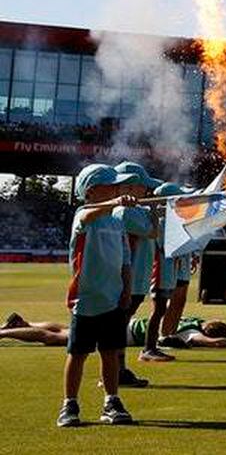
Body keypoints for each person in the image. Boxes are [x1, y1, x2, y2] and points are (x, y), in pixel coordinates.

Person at [58, 164, 136, 428]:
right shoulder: (83, 215)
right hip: (86, 299)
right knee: (78, 353)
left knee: (110, 353)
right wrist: (115, 201)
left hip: (113, 299)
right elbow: (87, 217)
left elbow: (125, 260)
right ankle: (69, 403)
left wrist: (126, 290)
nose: (118, 189)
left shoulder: (117, 221)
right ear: (91, 191)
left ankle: (111, 400)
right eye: (112, 186)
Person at [112, 161, 157, 387]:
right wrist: (156, 213)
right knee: (118, 328)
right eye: (142, 187)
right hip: (127, 281)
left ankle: (119, 370)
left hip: (137, 280)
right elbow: (152, 232)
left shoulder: (135, 211)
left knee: (121, 326)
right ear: (127, 187)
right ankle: (115, 372)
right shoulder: (124, 212)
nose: (146, 191)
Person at [2, 313, 226, 349]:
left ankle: (22, 323)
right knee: (57, 338)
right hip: (124, 334)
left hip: (126, 322)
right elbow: (215, 343)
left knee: (65, 327)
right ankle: (4, 333)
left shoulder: (192, 319)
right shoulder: (188, 334)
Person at [140, 181, 182, 364]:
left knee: (161, 309)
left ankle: (152, 346)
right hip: (160, 271)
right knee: (158, 309)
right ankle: (148, 348)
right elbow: (164, 247)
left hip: (168, 270)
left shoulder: (168, 222)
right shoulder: (162, 222)